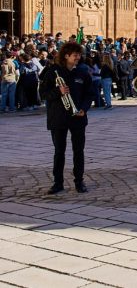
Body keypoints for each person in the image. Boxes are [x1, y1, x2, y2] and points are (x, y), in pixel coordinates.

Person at [38, 41, 92, 194]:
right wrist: (58, 91)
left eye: (79, 55)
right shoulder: (52, 71)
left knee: (78, 151)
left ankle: (79, 181)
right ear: (66, 55)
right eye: (75, 55)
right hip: (58, 118)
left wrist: (84, 108)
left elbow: (90, 94)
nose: (78, 58)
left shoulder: (82, 72)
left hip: (78, 117)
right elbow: (43, 94)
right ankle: (58, 182)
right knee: (59, 151)